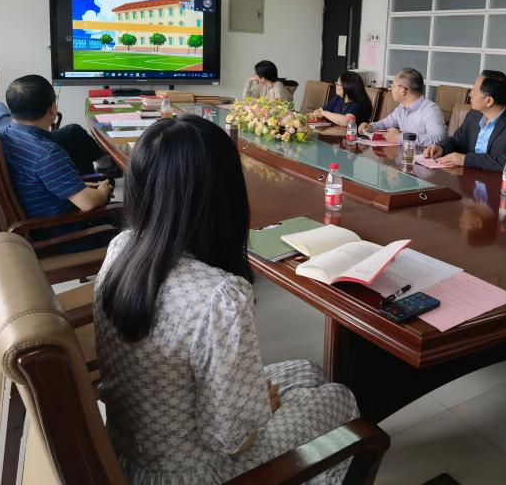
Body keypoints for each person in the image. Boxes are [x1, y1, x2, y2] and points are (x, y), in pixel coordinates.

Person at [94, 116, 358, 484]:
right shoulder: (218, 296)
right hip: (196, 473)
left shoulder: (121, 247)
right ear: (225, 194)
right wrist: (264, 406)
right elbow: (234, 440)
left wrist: (256, 403)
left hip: (131, 456)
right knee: (339, 398)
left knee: (307, 371)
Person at [0, 53, 109, 175]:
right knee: (74, 132)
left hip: (2, 153)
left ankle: (94, 173)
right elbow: (17, 137)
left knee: (72, 137)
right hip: (22, 154)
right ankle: (104, 167)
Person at [0, 75, 113, 223]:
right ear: (52, 109)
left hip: (37, 215)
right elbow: (88, 203)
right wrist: (103, 192)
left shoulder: (2, 134)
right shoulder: (47, 153)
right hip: (63, 227)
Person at [422, 70, 506, 170]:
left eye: (474, 92)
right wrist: (442, 147)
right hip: (467, 177)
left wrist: (466, 160)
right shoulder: (474, 114)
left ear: (489, 101)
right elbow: (457, 140)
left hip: (496, 182)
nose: (470, 95)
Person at [358, 68, 446, 147]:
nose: (390, 89)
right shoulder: (402, 107)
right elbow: (385, 124)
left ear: (402, 90)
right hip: (405, 155)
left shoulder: (431, 110)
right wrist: (370, 127)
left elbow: (437, 139)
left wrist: (400, 138)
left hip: (423, 158)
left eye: (393, 86)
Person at [308, 71, 373, 126]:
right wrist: (312, 115)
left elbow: (347, 121)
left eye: (338, 84)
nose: (336, 85)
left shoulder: (357, 103)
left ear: (347, 87)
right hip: (337, 133)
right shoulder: (338, 98)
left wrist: (324, 113)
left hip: (353, 136)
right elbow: (320, 110)